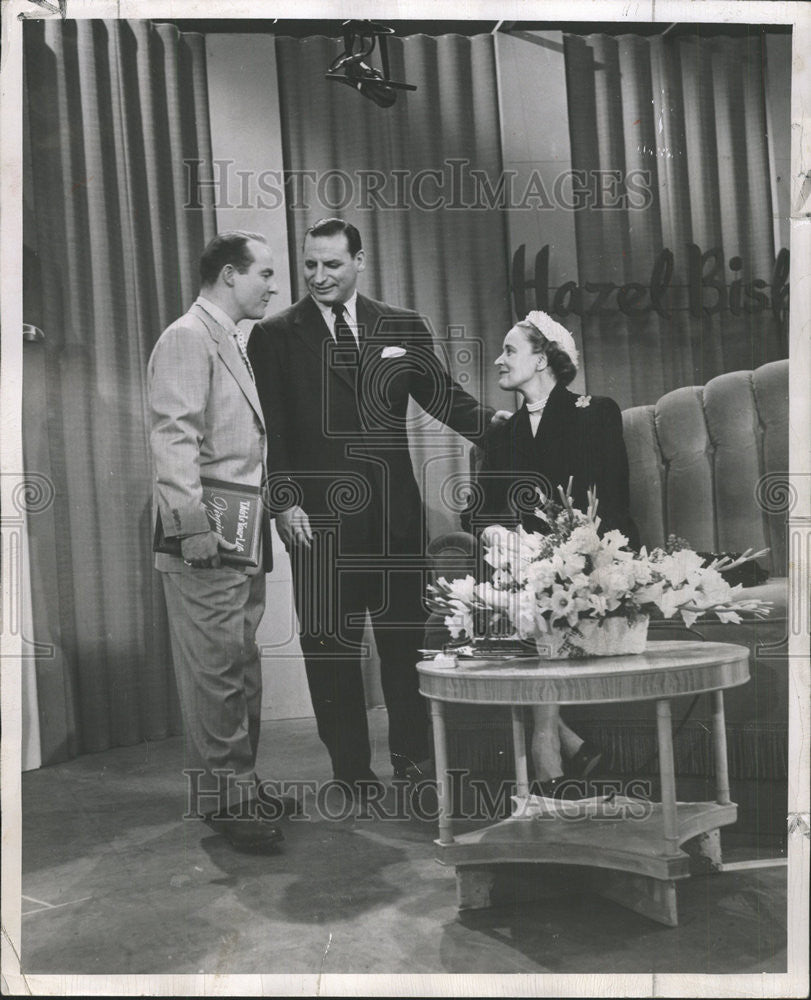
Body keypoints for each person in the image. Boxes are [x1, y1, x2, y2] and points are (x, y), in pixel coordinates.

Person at [248, 218, 504, 798]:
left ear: (359, 262)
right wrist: (283, 503)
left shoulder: (402, 327)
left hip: (394, 519)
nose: (318, 276)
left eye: (331, 265)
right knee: (330, 652)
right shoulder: (275, 335)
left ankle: (412, 761)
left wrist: (505, 428)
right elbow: (274, 431)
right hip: (319, 525)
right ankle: (351, 771)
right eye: (309, 265)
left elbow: (446, 399)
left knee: (403, 645)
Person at [148, 231, 294, 851]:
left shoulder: (229, 340)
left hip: (240, 531)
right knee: (215, 670)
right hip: (206, 534)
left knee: (238, 664)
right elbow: (172, 436)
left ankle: (237, 783)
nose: (273, 286)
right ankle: (229, 798)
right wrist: (191, 529)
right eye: (264, 273)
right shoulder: (187, 338)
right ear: (230, 275)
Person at [473, 310, 639, 796]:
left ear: (542, 358)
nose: (499, 362)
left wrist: (571, 550)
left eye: (510, 351)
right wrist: (494, 534)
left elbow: (613, 499)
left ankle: (547, 744)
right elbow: (478, 511)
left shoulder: (596, 411)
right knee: (524, 587)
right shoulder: (502, 433)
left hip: (591, 559)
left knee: (539, 589)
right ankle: (562, 738)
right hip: (525, 567)